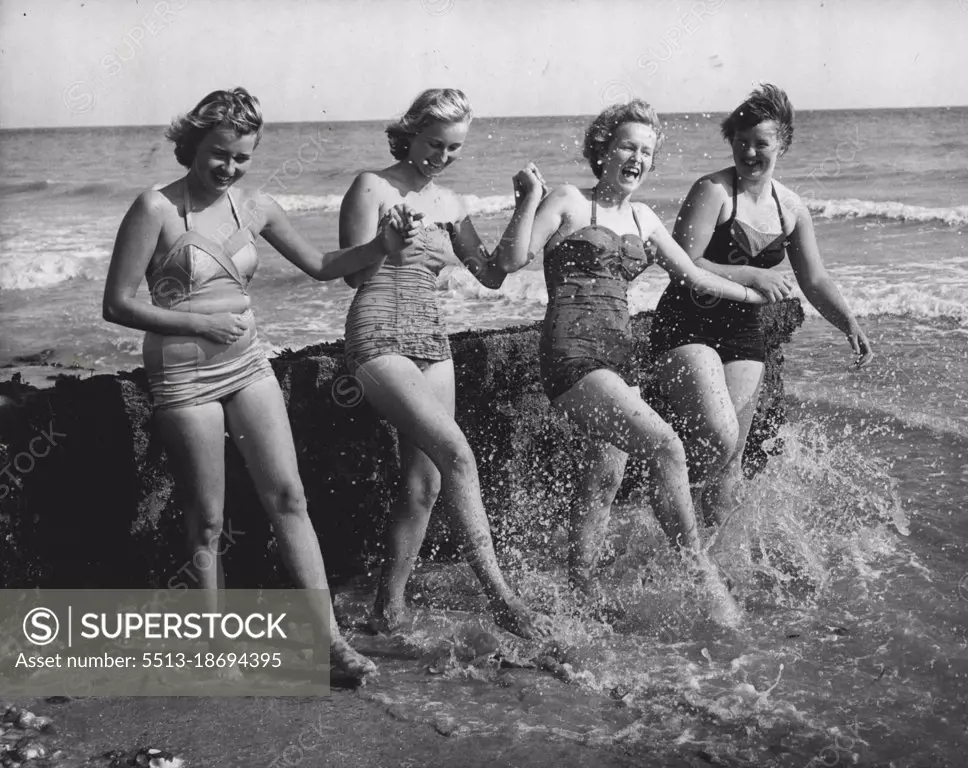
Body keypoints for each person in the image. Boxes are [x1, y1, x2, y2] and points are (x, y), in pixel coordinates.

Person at [102, 87, 418, 683]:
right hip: (182, 376)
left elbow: (325, 267)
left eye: (242, 157)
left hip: (248, 365)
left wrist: (381, 247)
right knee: (209, 519)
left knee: (290, 499)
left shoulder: (258, 207)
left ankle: (330, 645)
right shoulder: (155, 209)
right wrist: (198, 321)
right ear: (192, 145)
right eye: (219, 154)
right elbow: (117, 305)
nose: (229, 168)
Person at [521, 99, 766, 626]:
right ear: (603, 150)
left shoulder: (643, 216)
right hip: (571, 351)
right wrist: (526, 202)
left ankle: (579, 596)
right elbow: (515, 257)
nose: (636, 158)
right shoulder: (566, 200)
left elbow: (693, 276)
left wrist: (751, 295)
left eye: (646, 152)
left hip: (618, 355)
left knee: (603, 475)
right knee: (666, 445)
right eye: (627, 146)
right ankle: (696, 569)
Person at [337, 88, 552, 639]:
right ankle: (501, 597)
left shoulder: (454, 204)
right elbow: (353, 275)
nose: (442, 156)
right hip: (376, 333)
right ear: (409, 132)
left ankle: (388, 610)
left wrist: (526, 202)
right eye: (435, 144)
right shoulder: (371, 185)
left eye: (454, 148)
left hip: (432, 338)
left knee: (425, 484)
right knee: (458, 451)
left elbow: (493, 273)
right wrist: (389, 240)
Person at [651, 84, 874, 529]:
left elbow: (814, 278)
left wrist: (847, 321)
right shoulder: (713, 190)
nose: (750, 152)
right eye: (741, 141)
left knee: (730, 459)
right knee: (716, 435)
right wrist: (753, 275)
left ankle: (715, 556)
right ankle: (667, 502)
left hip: (742, 334)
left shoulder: (790, 208)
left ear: (782, 144)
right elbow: (684, 263)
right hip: (686, 323)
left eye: (761, 143)